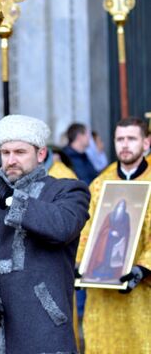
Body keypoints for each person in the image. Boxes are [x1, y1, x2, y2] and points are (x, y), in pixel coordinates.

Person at [0, 114, 90, 353]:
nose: (11, 160)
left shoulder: (67, 190)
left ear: (41, 154)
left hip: (45, 326)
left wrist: (10, 199)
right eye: (5, 153)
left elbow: (62, 226)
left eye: (20, 152)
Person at [76, 117, 151, 353]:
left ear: (146, 142)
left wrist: (141, 269)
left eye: (131, 139)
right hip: (101, 294)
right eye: (120, 139)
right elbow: (86, 230)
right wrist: (80, 264)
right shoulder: (100, 184)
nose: (125, 145)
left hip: (141, 294)